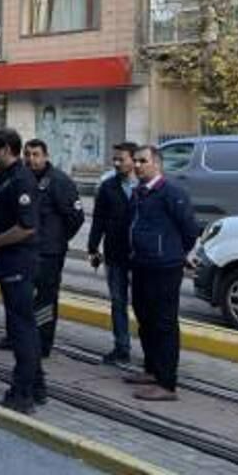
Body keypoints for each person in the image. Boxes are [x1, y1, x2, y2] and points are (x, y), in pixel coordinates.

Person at [0, 139, 84, 356]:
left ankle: (42, 343)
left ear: (46, 156)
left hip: (48, 253)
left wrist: (58, 240)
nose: (31, 159)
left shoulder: (59, 181)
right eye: (27, 154)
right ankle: (15, 337)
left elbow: (76, 217)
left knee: (44, 300)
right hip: (24, 251)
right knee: (17, 298)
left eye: (36, 154)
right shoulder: (19, 178)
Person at [0, 128, 45, 413]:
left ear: (5, 149)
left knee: (21, 328)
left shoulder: (21, 179)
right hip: (10, 261)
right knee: (24, 324)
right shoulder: (5, 176)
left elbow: (26, 228)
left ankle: (22, 393)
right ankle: (37, 386)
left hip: (18, 261)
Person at [125, 145, 199, 402]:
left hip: (164, 267)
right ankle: (151, 369)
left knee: (164, 323)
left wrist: (176, 254)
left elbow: (189, 229)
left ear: (157, 164)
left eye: (142, 161)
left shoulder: (172, 192)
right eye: (135, 161)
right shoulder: (139, 193)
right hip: (142, 264)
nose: (137, 165)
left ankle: (167, 383)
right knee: (145, 318)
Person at [87, 142, 139, 365]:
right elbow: (98, 220)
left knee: (145, 305)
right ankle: (122, 347)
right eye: (114, 159)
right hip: (115, 254)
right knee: (118, 302)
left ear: (134, 160)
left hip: (142, 258)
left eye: (121, 159)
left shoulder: (147, 186)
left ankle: (152, 353)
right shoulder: (108, 187)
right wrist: (92, 247)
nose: (117, 163)